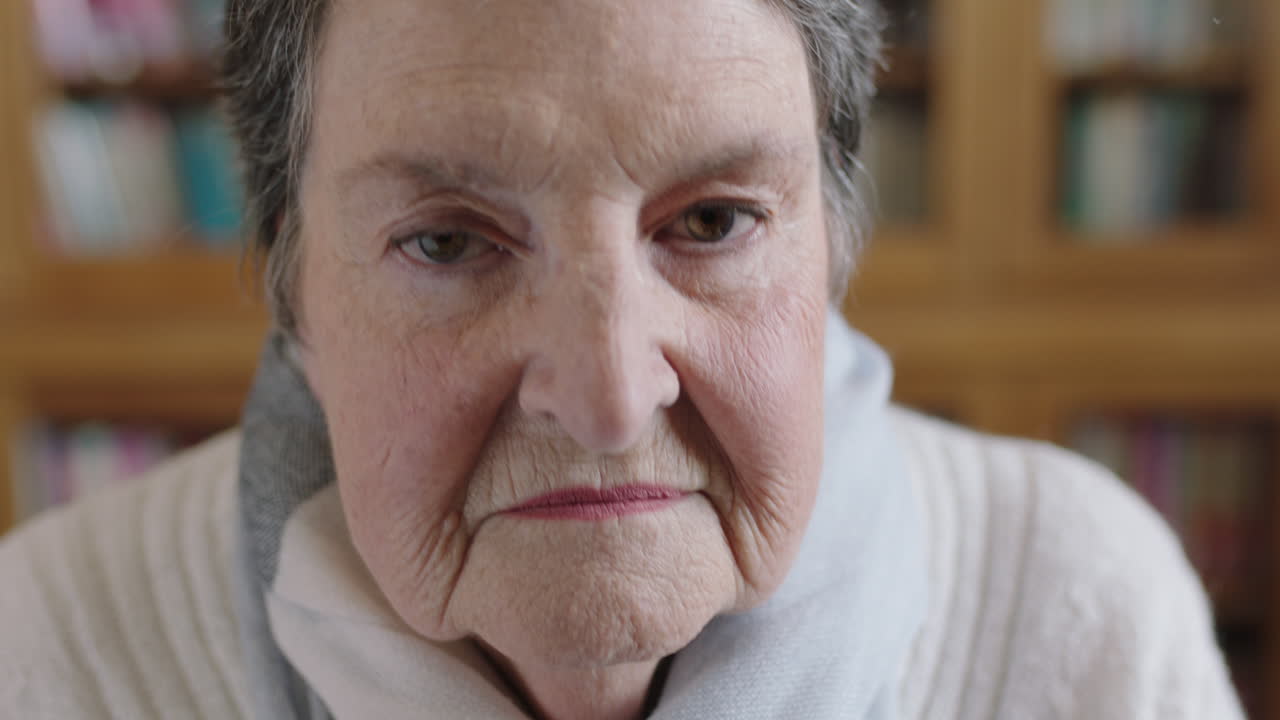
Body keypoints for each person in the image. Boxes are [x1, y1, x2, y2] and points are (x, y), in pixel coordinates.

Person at [0, 1, 1245, 718]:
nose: (605, 398)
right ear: (294, 300)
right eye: (446, 240)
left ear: (833, 255)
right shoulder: (45, 653)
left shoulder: (1078, 615)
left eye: (709, 223)